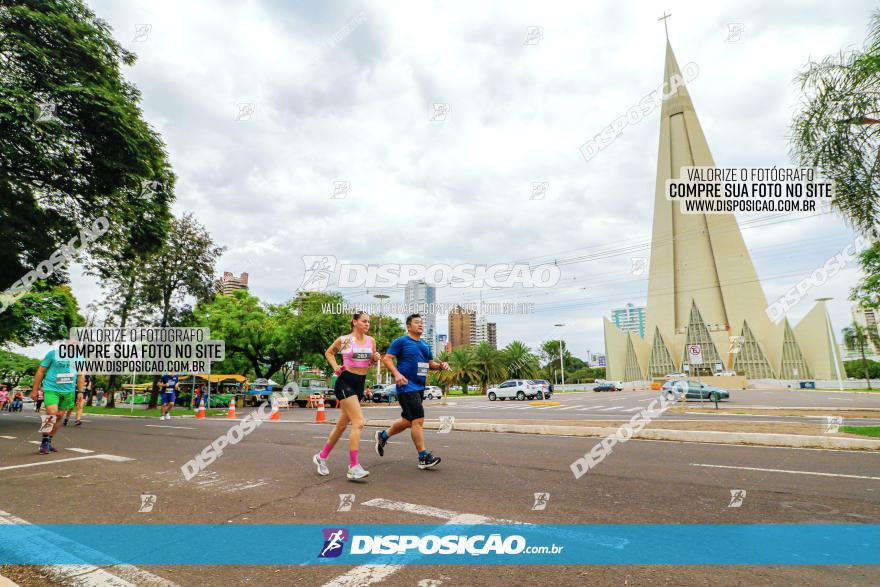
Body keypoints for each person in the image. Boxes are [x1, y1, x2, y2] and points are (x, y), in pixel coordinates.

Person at [374, 314, 449, 470]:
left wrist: (440, 366)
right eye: (417, 322)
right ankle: (423, 457)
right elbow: (387, 358)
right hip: (406, 386)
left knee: (408, 421)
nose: (421, 325)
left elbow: (429, 364)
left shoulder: (424, 345)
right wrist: (397, 374)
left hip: (420, 387)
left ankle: (383, 436)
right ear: (409, 326)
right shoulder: (401, 341)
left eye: (422, 322)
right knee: (418, 420)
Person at [313, 311, 380, 481]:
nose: (367, 324)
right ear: (354, 322)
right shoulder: (344, 340)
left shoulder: (371, 341)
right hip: (345, 383)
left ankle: (321, 456)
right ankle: (353, 466)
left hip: (359, 384)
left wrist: (374, 358)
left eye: (369, 322)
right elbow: (329, 352)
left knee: (342, 425)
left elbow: (368, 361)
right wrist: (335, 366)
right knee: (358, 422)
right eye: (364, 321)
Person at [32, 340, 84, 454]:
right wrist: (35, 389)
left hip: (68, 391)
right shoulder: (53, 354)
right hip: (51, 389)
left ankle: (49, 441)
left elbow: (80, 375)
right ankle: (44, 441)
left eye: (76, 345)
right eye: (70, 344)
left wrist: (80, 392)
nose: (73, 346)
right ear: (65, 344)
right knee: (51, 412)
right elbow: (41, 371)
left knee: (59, 416)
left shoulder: (80, 358)